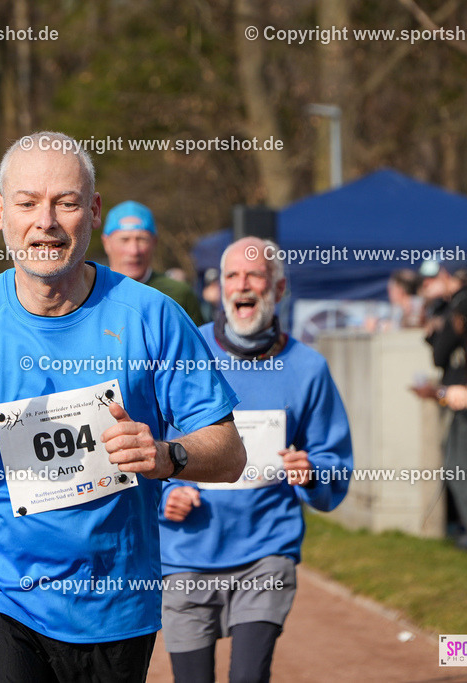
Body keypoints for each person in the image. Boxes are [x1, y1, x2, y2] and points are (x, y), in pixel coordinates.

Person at [0, 131, 246, 682]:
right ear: (1, 213)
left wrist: (166, 455)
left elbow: (230, 453)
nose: (45, 221)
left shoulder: (154, 318)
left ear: (93, 213)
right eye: (26, 203)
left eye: (65, 203)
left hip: (113, 601)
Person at [158, 237, 353, 683]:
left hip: (266, 551)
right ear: (218, 287)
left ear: (279, 288)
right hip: (186, 552)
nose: (242, 285)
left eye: (255, 275)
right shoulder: (188, 351)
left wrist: (312, 472)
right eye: (232, 276)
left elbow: (333, 466)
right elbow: (149, 446)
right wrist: (167, 493)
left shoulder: (308, 368)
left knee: (248, 676)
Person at [419, 259, 467, 548]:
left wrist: (435, 332)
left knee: (460, 468)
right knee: (456, 468)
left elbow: (442, 355)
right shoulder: (466, 311)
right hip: (465, 402)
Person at [102, 200, 205, 324]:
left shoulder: (180, 294)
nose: (134, 251)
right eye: (124, 240)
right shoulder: (92, 293)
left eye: (142, 240)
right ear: (106, 243)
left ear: (154, 242)